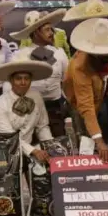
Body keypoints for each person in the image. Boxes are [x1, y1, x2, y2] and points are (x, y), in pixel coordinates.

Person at [63, 10, 108, 162]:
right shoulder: (80, 69)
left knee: (104, 134)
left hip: (101, 99)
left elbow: (107, 71)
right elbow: (86, 108)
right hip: (79, 106)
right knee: (85, 142)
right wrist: (99, 140)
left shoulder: (105, 58)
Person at [10, 9, 69, 137]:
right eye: (47, 30)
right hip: (29, 109)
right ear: (36, 32)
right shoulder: (21, 56)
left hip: (55, 108)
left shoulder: (60, 53)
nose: (52, 33)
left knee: (59, 143)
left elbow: (67, 80)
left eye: (51, 29)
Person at [0, 54, 56, 164]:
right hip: (6, 153)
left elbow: (42, 126)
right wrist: (33, 151)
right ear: (11, 80)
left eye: (27, 78)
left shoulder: (36, 97)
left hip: (31, 149)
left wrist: (50, 147)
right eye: (18, 79)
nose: (23, 82)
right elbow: (9, 138)